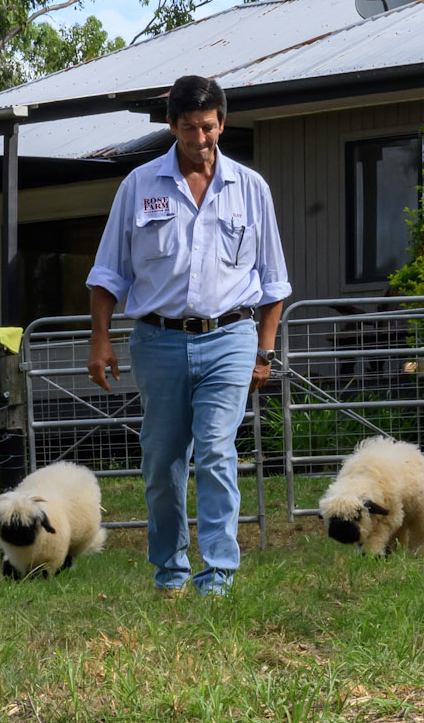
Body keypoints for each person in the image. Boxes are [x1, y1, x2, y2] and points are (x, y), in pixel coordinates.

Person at [86, 75, 290, 595]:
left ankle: (217, 573)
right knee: (162, 460)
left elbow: (273, 282)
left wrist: (265, 352)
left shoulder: (251, 188)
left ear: (222, 123)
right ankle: (170, 573)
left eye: (208, 126)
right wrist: (100, 339)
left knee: (217, 451)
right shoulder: (138, 186)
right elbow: (109, 273)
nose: (200, 138)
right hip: (158, 342)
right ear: (172, 126)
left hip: (230, 338)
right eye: (188, 128)